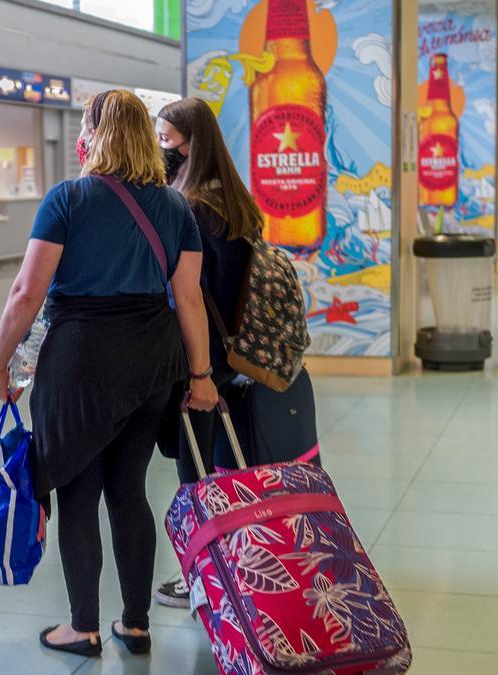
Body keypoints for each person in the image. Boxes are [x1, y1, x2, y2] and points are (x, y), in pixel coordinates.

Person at [0, 90, 217, 657]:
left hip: (80, 364)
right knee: (129, 491)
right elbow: (188, 300)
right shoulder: (174, 207)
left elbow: (26, 293)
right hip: (151, 365)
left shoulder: (68, 199)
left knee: (79, 493)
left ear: (90, 136)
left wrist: (0, 358)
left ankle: (83, 627)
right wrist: (202, 375)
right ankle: (136, 625)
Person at [151, 97, 320, 609]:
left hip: (203, 358)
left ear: (190, 144)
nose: (161, 152)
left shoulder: (192, 207)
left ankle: (205, 574)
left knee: (195, 471)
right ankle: (230, 561)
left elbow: (190, 293)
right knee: (219, 466)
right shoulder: (234, 198)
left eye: (166, 141)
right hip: (234, 352)